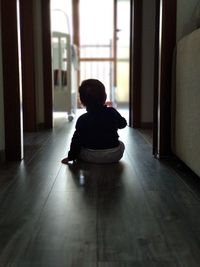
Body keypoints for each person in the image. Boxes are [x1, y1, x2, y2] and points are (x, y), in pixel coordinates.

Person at [61, 79, 127, 164]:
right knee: (121, 145)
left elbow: (76, 141)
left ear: (82, 101)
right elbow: (123, 124)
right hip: (113, 155)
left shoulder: (82, 119)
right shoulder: (112, 112)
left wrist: (71, 156)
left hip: (90, 156)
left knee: (81, 148)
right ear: (104, 97)